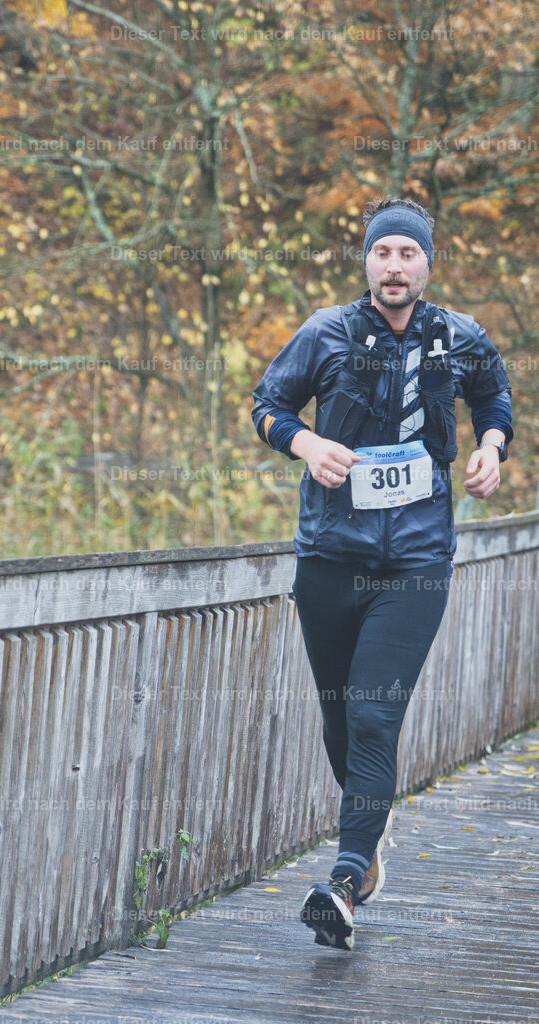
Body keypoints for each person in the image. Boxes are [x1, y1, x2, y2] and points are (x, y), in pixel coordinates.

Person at [251, 196, 513, 951]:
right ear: (366, 262)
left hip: (417, 561)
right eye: (382, 253)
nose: (394, 266)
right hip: (330, 556)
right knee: (341, 718)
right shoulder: (325, 333)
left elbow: (495, 399)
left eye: (407, 253)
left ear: (427, 263)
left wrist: (491, 446)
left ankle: (345, 877)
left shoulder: (460, 336)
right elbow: (267, 405)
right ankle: (369, 830)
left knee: (372, 713)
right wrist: (303, 444)